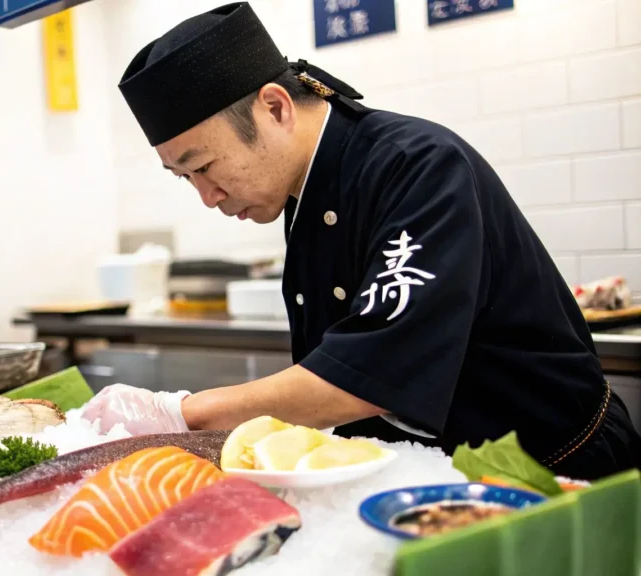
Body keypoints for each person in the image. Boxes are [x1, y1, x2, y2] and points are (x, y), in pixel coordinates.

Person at [82, 2, 640, 480]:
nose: (207, 196)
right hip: (440, 476)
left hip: (555, 470)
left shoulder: (418, 166)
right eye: (186, 178)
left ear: (275, 108)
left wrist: (184, 412)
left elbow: (370, 374)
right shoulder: (302, 193)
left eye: (204, 166)